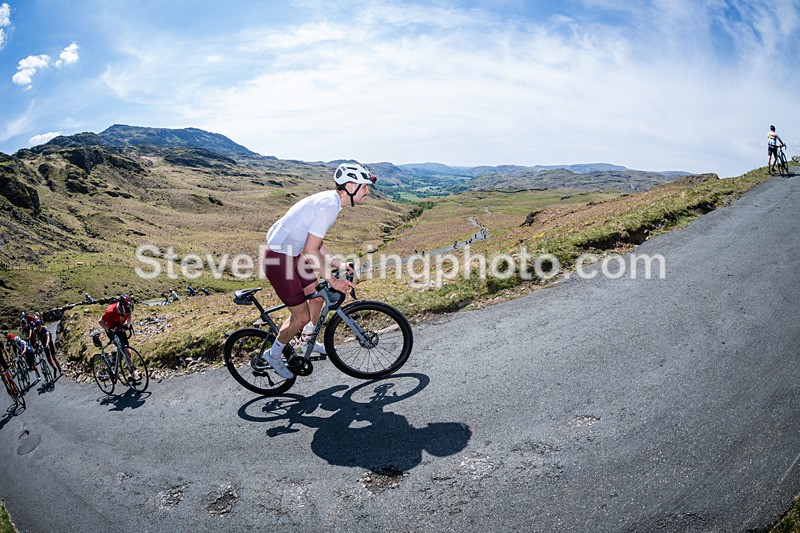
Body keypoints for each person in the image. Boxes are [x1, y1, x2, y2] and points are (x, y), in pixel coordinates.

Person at [259, 162, 374, 378]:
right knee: (301, 317)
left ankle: (305, 341)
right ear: (351, 186)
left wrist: (337, 264)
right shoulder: (328, 206)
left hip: (292, 254)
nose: (368, 191)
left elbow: (316, 243)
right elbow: (311, 250)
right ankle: (273, 354)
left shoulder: (332, 202)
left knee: (318, 298)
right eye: (365, 186)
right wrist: (333, 280)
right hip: (278, 259)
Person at [98, 295, 140, 382]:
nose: (127, 314)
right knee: (121, 347)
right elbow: (100, 321)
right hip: (111, 330)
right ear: (121, 308)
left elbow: (129, 316)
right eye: (125, 313)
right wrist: (108, 329)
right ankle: (114, 363)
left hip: (120, 328)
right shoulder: (110, 311)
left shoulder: (127, 309)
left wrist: (127, 324)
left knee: (127, 350)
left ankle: (132, 370)